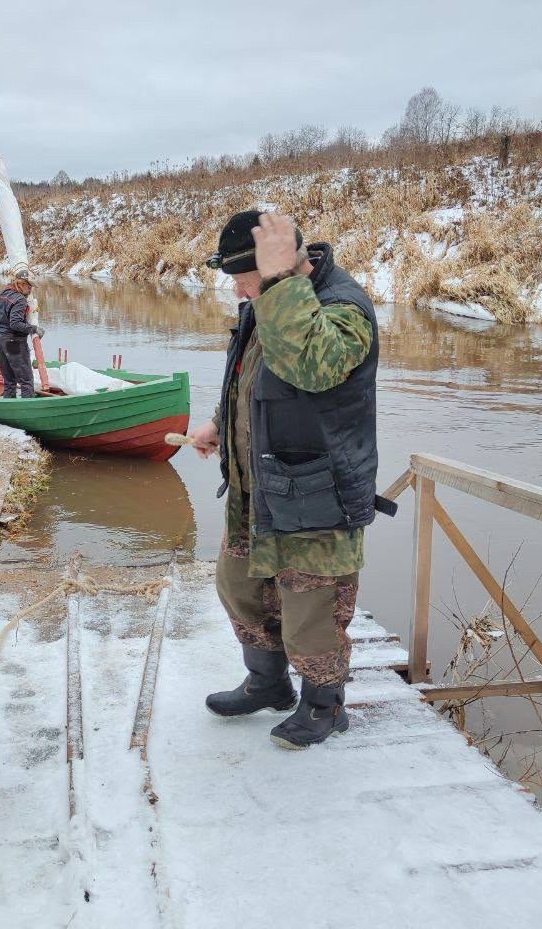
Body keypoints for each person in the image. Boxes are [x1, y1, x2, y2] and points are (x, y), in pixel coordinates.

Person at [187, 211, 385, 750]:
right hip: (260, 490)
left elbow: (311, 369)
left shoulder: (343, 305)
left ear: (280, 265)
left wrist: (276, 285)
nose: (238, 287)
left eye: (244, 275)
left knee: (310, 613)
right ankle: (268, 684)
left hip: (317, 493)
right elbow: (254, 381)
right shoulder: (268, 300)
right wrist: (219, 427)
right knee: (240, 589)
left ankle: (325, 706)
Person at [0, 263, 44, 398]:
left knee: (9, 379)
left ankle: (8, 403)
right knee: (26, 379)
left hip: (1, 339)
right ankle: (29, 407)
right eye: (28, 286)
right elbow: (15, 323)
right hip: (14, 342)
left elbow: (1, 315)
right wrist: (34, 328)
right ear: (20, 284)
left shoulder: (1, 294)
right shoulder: (20, 300)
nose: (30, 289)